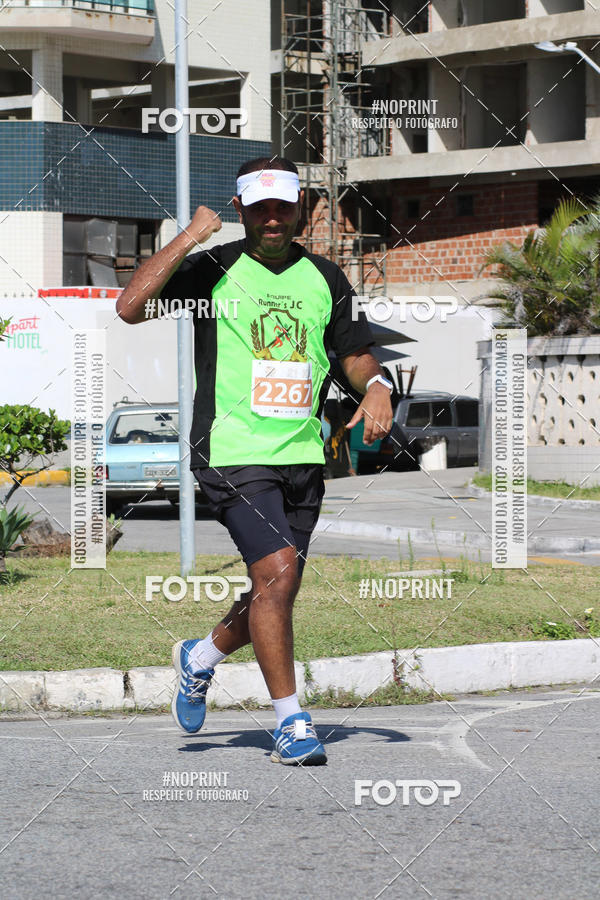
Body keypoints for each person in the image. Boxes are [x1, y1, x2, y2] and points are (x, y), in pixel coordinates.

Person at [116, 157, 394, 765]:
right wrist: (189, 236)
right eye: (260, 207)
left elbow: (354, 354)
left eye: (283, 207)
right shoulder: (213, 268)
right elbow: (131, 306)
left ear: (301, 209)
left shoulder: (326, 277)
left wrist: (377, 386)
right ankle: (291, 722)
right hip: (231, 450)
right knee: (277, 573)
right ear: (239, 209)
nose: (273, 218)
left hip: (302, 455)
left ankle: (199, 658)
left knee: (275, 587)